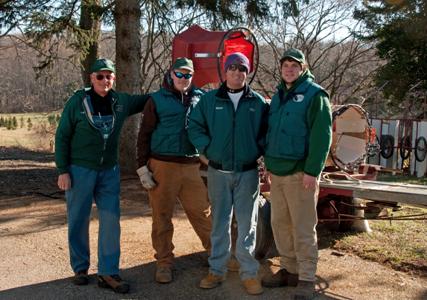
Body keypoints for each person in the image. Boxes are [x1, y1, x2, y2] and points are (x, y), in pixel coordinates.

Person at [55, 58, 148, 294]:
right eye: (100, 76)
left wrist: (176, 84)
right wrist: (62, 170)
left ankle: (108, 272)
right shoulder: (78, 101)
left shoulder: (121, 102)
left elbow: (148, 100)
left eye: (109, 76)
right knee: (78, 219)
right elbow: (62, 136)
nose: (105, 80)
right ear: (92, 78)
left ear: (113, 79)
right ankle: (80, 268)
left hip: (109, 171)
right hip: (79, 169)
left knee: (110, 221)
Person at [188, 52, 269, 295]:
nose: (236, 72)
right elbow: (194, 126)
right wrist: (205, 149)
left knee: (248, 224)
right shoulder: (210, 100)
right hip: (218, 172)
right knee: (220, 223)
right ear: (225, 71)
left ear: (247, 72)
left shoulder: (257, 103)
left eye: (241, 69)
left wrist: (258, 150)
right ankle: (217, 270)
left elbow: (267, 132)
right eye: (232, 68)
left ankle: (249, 273)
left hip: (247, 173)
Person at [261, 48, 332, 300]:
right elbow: (273, 133)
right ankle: (289, 270)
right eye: (285, 65)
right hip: (277, 172)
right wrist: (268, 164)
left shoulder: (315, 95)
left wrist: (312, 171)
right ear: (281, 69)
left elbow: (322, 136)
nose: (289, 69)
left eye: (294, 65)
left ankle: (306, 277)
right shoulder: (279, 95)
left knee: (302, 227)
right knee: (280, 224)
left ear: (303, 68)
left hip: (301, 173)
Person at [136, 57, 212, 284]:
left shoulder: (202, 99)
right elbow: (144, 135)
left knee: (203, 213)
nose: (184, 78)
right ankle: (164, 263)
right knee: (161, 217)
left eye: (188, 74)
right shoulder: (156, 100)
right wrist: (141, 167)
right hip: (162, 166)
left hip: (192, 165)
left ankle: (217, 257)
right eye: (179, 74)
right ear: (171, 74)